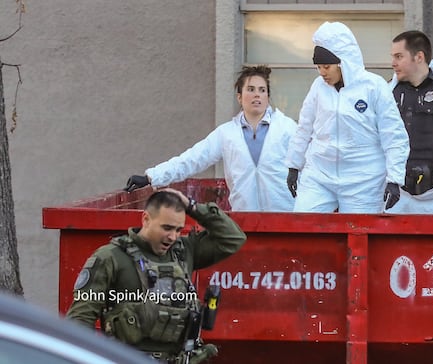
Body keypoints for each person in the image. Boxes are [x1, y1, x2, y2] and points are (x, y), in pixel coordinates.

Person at [67, 188, 247, 363]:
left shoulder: (184, 252)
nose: (173, 237)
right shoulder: (110, 257)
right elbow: (80, 319)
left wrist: (191, 205)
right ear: (146, 219)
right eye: (167, 228)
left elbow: (232, 238)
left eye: (178, 230)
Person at [124, 65, 298, 212]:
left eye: (262, 90)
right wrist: (151, 177)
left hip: (285, 218)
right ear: (239, 96)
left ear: (268, 96)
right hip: (245, 222)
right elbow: (193, 159)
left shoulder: (286, 128)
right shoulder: (227, 133)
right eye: (250, 90)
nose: (257, 95)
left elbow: (309, 163)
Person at [285, 21, 410, 213]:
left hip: (363, 181)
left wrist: (394, 179)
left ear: (344, 61)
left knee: (359, 234)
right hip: (320, 175)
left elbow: (393, 135)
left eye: (326, 66)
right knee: (305, 226)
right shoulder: (318, 88)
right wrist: (294, 165)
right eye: (318, 67)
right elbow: (304, 127)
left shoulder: (373, 87)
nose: (322, 72)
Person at [387, 30, 433, 214]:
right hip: (399, 193)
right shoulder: (388, 92)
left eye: (399, 56)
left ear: (419, 57)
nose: (393, 63)